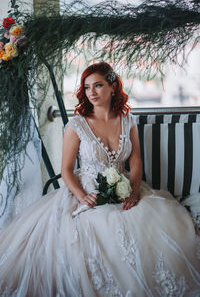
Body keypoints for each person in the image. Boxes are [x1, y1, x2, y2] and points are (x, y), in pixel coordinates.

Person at [0, 62, 200, 296]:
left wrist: (134, 193)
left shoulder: (127, 120)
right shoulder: (77, 125)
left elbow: (135, 163)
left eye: (98, 85)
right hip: (85, 192)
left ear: (113, 87)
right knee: (100, 225)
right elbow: (65, 170)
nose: (92, 92)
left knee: (155, 225)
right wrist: (83, 197)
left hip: (124, 189)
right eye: (86, 87)